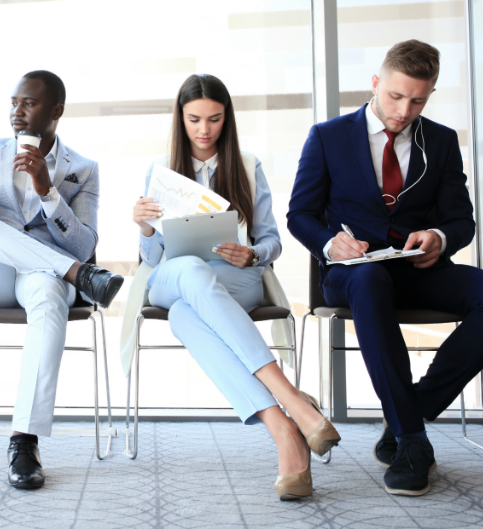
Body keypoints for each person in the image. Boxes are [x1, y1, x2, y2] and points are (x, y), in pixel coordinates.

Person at [288, 40, 483, 496]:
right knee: (371, 278)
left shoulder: (440, 140)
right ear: (376, 83)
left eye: (418, 99)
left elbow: (461, 220)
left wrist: (439, 238)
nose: (404, 109)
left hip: (419, 270)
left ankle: (406, 417)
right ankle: (414, 441)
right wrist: (329, 242)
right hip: (352, 275)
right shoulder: (328, 136)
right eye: (397, 96)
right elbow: (299, 214)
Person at [126, 74, 340, 501]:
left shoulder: (246, 164)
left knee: (187, 315)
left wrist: (254, 255)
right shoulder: (161, 171)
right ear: (180, 119)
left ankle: (284, 432)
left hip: (235, 278)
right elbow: (151, 261)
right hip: (173, 276)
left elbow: (271, 239)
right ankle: (294, 402)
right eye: (194, 120)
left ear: (228, 119)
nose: (204, 130)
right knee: (189, 269)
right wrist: (146, 227)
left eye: (214, 119)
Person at [0, 70, 122, 490]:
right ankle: (80, 279)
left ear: (55, 111)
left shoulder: (84, 170)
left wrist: (48, 192)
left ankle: (24, 440)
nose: (16, 112)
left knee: (49, 295)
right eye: (13, 102)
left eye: (28, 104)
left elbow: (83, 243)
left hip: (40, 275)